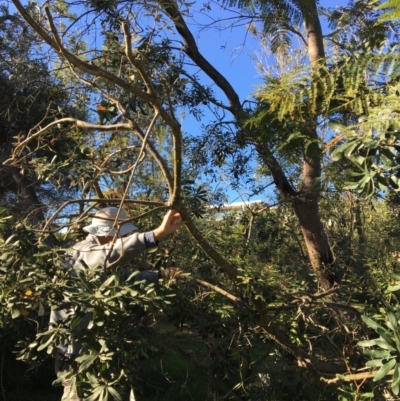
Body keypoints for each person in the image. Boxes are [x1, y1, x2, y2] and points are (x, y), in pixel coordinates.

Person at [50, 206, 186, 401]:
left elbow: (125, 278)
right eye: (120, 235)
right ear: (106, 233)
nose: (120, 239)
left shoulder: (99, 261)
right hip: (75, 352)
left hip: (96, 347)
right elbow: (108, 253)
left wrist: (160, 275)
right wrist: (157, 234)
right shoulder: (82, 252)